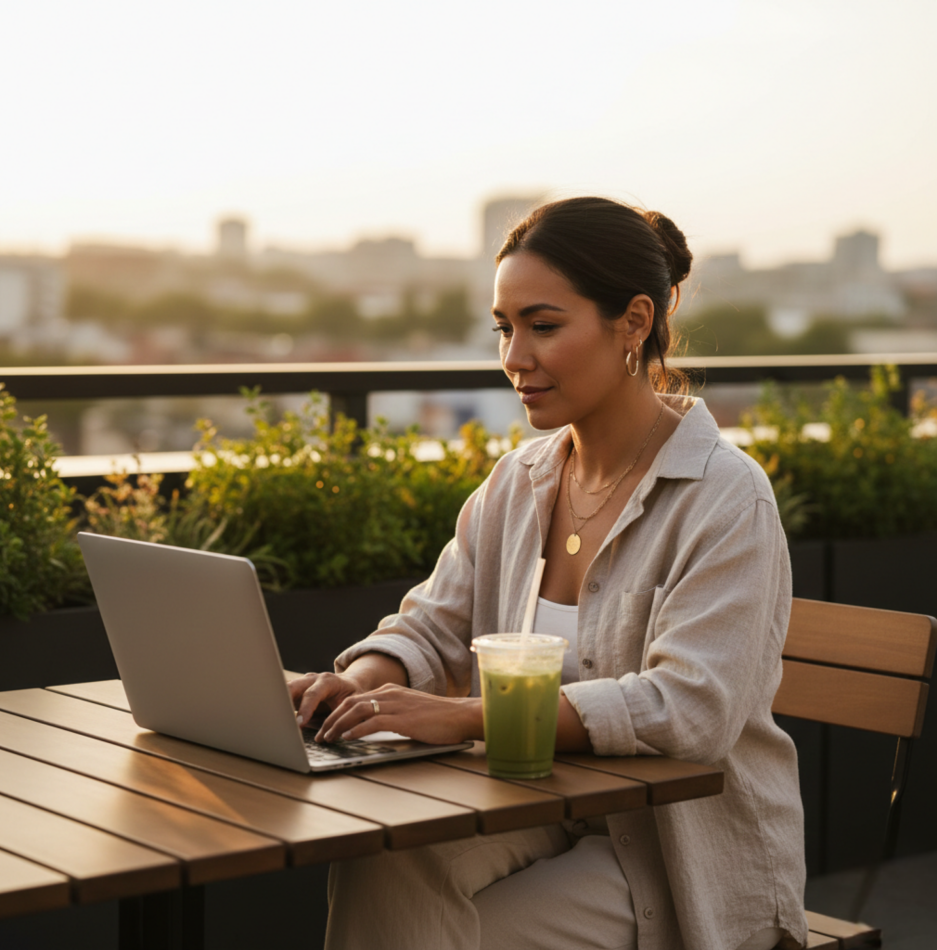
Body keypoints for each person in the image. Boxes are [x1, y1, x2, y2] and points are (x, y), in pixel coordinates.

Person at [290, 196, 808, 950]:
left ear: (633, 322)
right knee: (385, 864)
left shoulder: (725, 496)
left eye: (543, 325)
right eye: (504, 328)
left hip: (669, 848)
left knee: (463, 934)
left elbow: (692, 709)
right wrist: (362, 684)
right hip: (529, 805)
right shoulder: (518, 481)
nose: (514, 358)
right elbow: (435, 624)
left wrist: (465, 716)